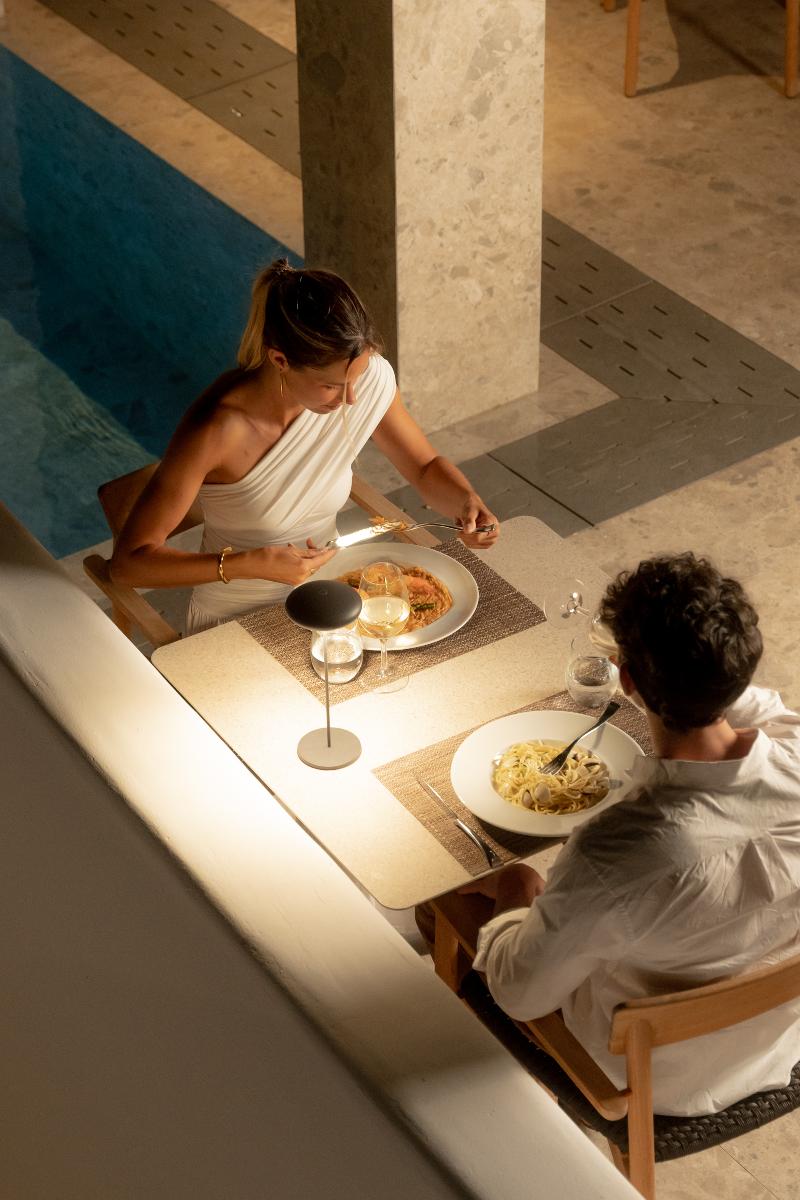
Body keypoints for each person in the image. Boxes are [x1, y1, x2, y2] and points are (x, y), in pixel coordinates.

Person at [464, 552, 800, 1116]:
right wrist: (685, 672)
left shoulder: (616, 854)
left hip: (651, 1079)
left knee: (450, 903)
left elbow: (519, 995)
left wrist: (516, 891)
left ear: (625, 680)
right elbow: (758, 705)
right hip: (773, 1039)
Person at [110, 260, 499, 633]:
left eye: (356, 379)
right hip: (238, 619)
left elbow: (424, 467)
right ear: (280, 359)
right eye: (331, 385)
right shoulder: (217, 430)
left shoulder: (366, 380)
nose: (350, 399)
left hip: (332, 598)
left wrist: (464, 501)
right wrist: (248, 564)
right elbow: (129, 565)